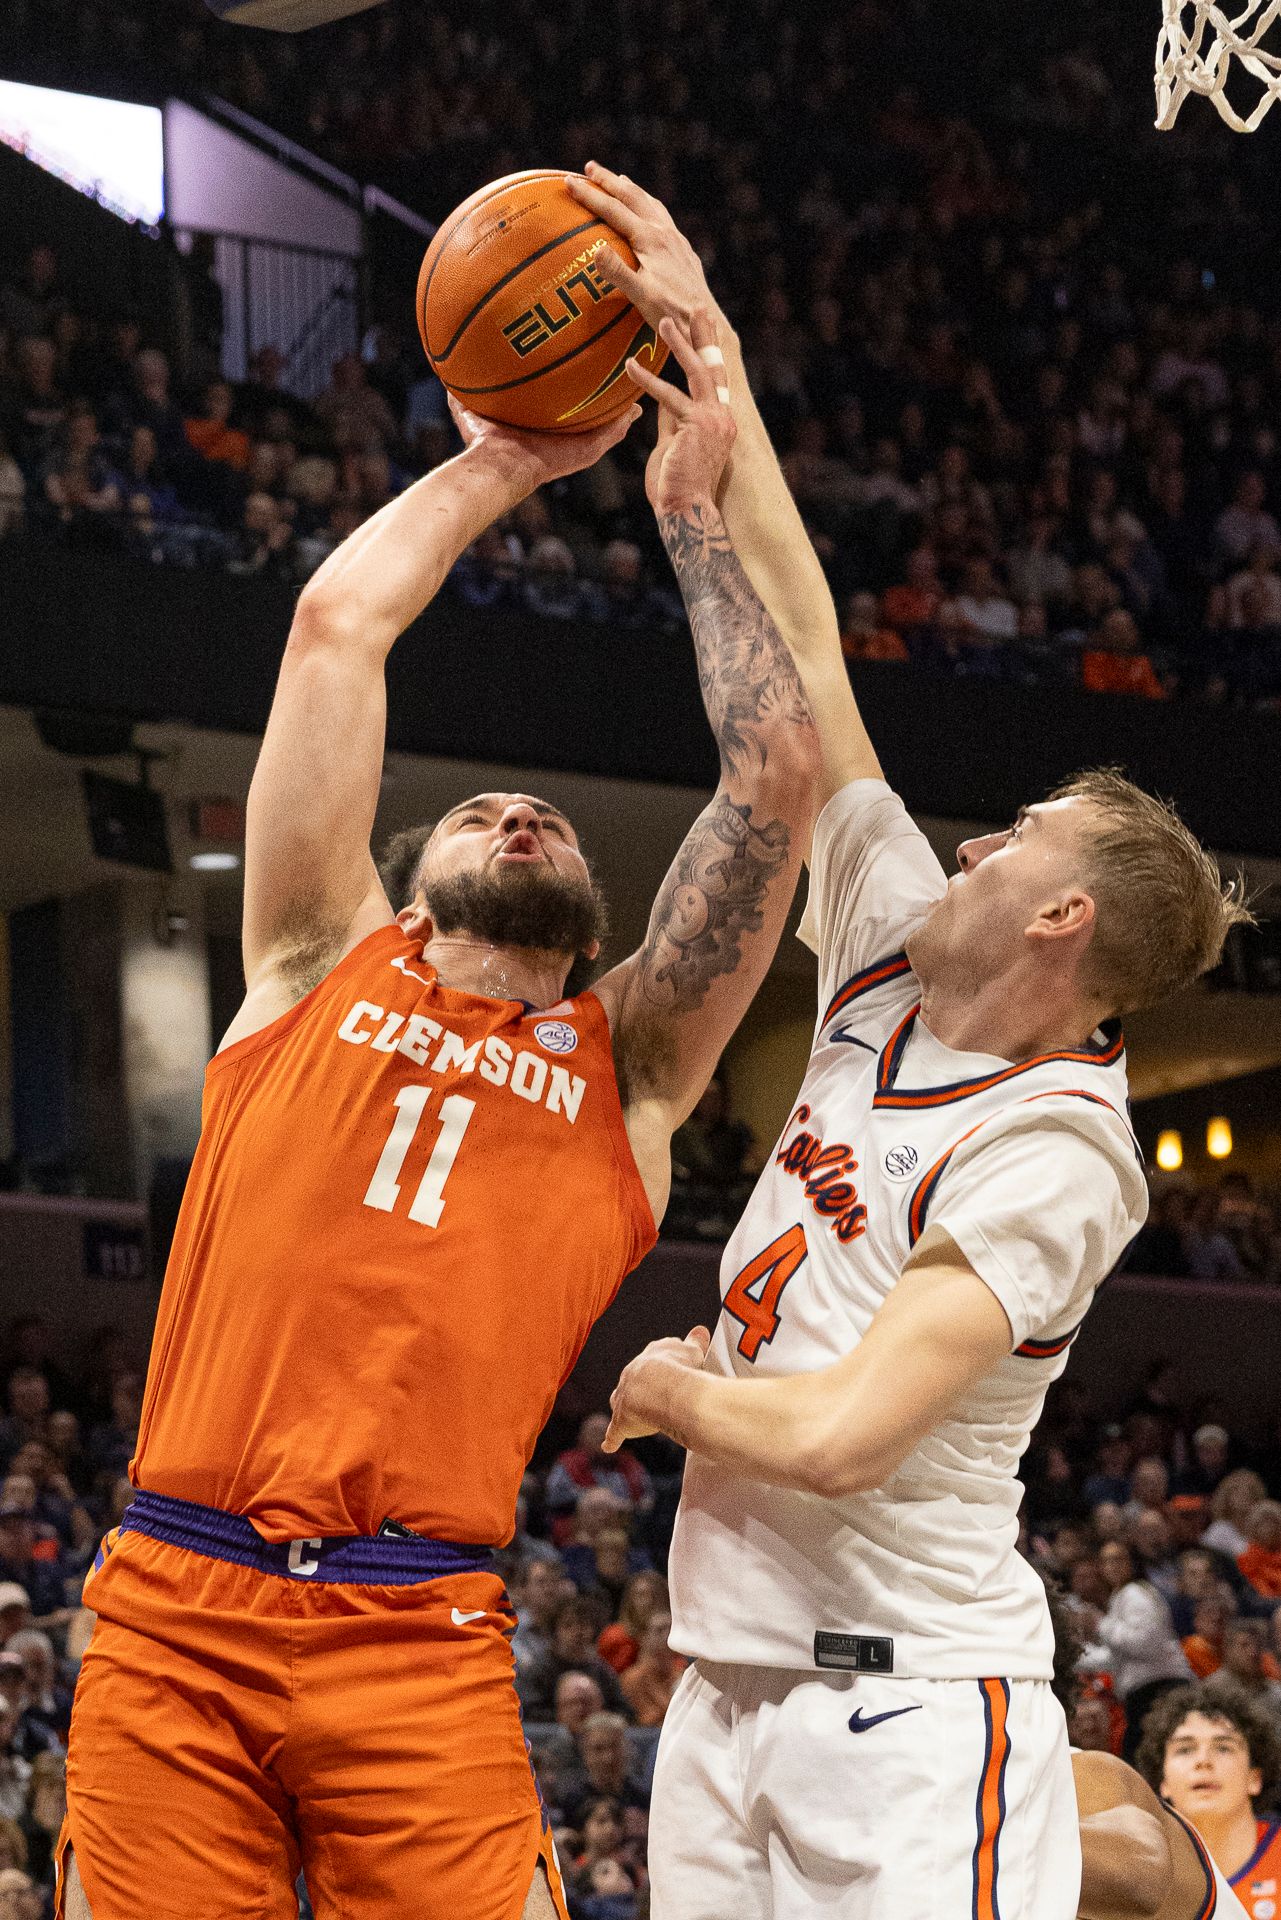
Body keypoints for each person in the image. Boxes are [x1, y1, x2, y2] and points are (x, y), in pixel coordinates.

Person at [58, 308, 819, 1920]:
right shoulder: (309, 961)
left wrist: (691, 515)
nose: (521, 812)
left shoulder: (634, 1067)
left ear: (595, 926)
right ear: (405, 893)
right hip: (178, 1607)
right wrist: (506, 462)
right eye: (481, 812)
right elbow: (336, 626)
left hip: (421, 1631)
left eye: (545, 818)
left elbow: (775, 782)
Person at [569, 160, 1251, 1920]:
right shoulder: (887, 947)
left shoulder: (1060, 1147)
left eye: (1012, 838)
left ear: (1061, 918)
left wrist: (668, 1389)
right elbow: (812, 647)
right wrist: (708, 357)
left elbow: (848, 1435)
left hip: (909, 1713)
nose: (969, 842)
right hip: (727, 1689)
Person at [1134, 1684, 1280, 1917]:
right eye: (1185, 1749)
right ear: (1163, 1781)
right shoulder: (1140, 1876)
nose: (1203, 1760)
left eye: (1223, 1748)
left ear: (1254, 1778)